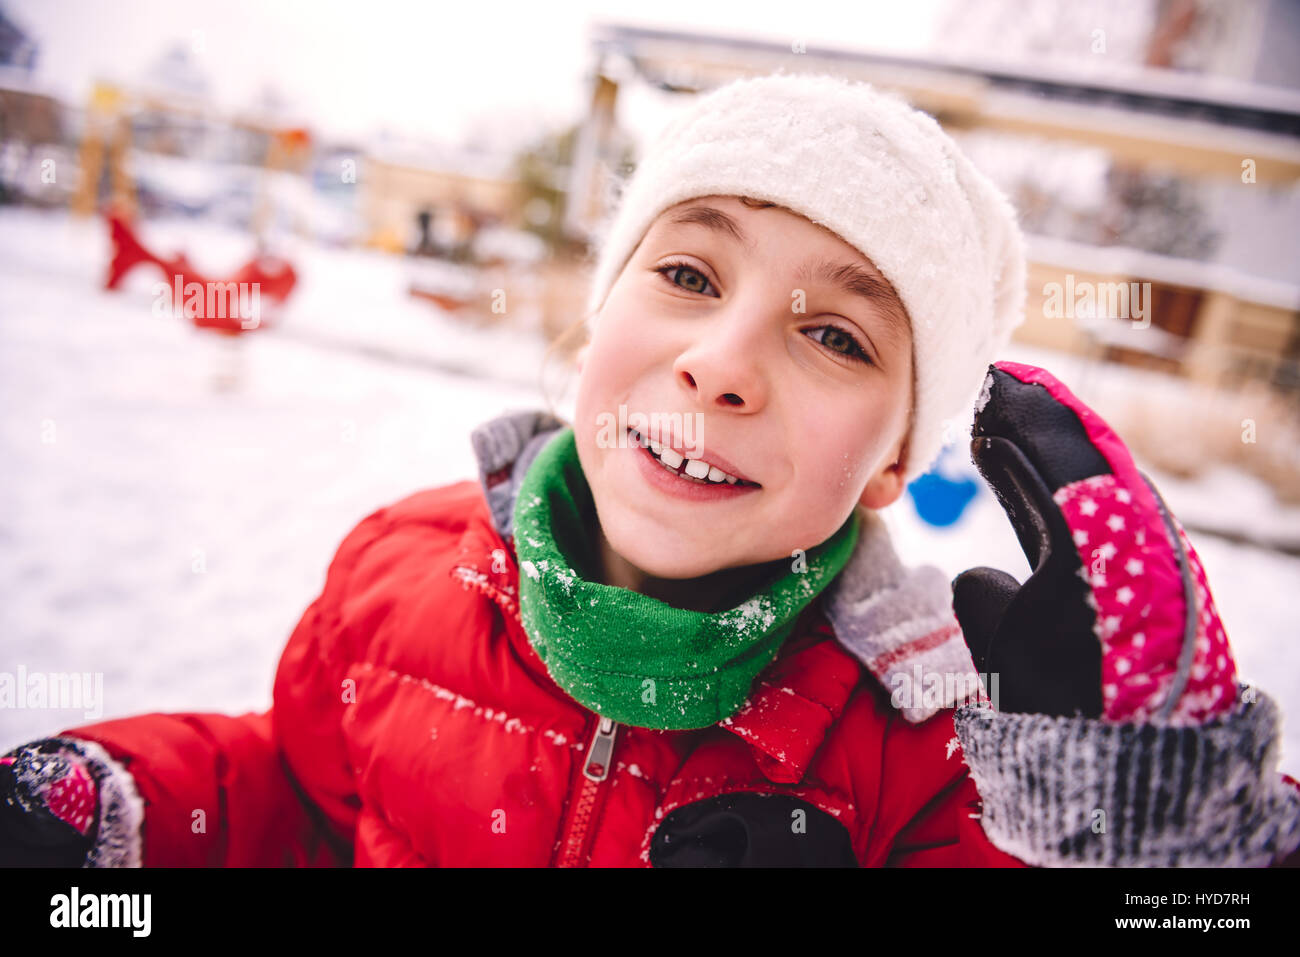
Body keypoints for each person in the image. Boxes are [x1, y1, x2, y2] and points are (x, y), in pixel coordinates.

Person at [4, 73, 1298, 868]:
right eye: (686, 272)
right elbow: (297, 804)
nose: (719, 363)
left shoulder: (955, 766)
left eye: (835, 333)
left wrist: (1160, 836)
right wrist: (123, 813)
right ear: (599, 311)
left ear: (896, 460)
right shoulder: (398, 573)